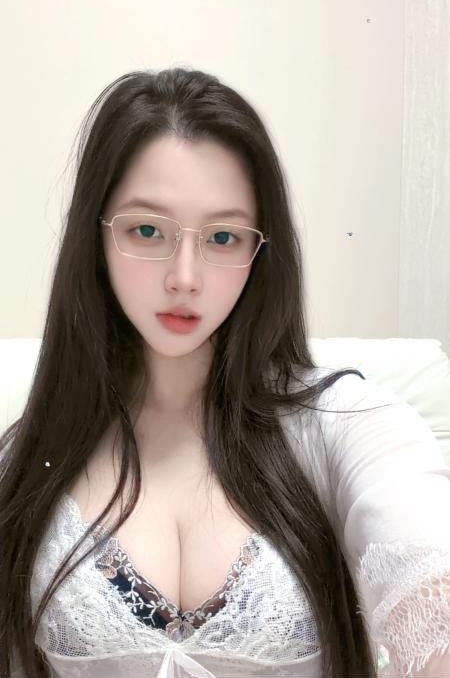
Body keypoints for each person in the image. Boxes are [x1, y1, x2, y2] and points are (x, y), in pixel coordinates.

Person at [0, 67, 449, 678]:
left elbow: (420, 545)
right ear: (96, 237)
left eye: (222, 237)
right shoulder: (30, 458)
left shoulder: (344, 423)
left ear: (260, 250)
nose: (184, 277)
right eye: (147, 230)